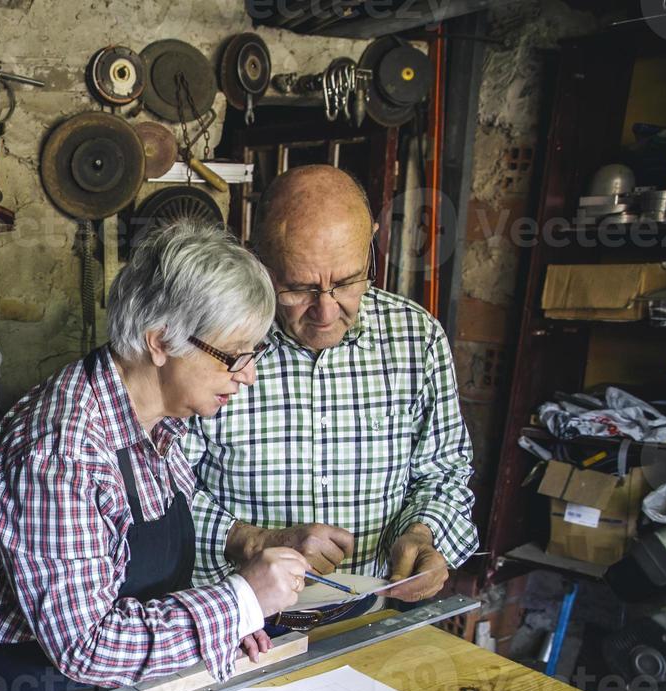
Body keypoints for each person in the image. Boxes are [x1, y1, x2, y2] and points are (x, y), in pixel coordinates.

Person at [0, 220, 309, 691]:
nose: (247, 376)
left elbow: (138, 574)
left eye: (254, 354)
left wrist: (225, 624)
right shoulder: (62, 452)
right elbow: (84, 645)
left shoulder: (155, 418)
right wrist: (239, 601)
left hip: (118, 689)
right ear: (160, 341)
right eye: (232, 356)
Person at [185, 165, 477, 599]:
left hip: (368, 611)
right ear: (259, 257)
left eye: (346, 282)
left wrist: (425, 534)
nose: (325, 311)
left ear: (372, 245)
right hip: (234, 619)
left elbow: (444, 474)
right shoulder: (210, 341)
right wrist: (251, 541)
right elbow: (156, 490)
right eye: (298, 288)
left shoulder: (417, 340)